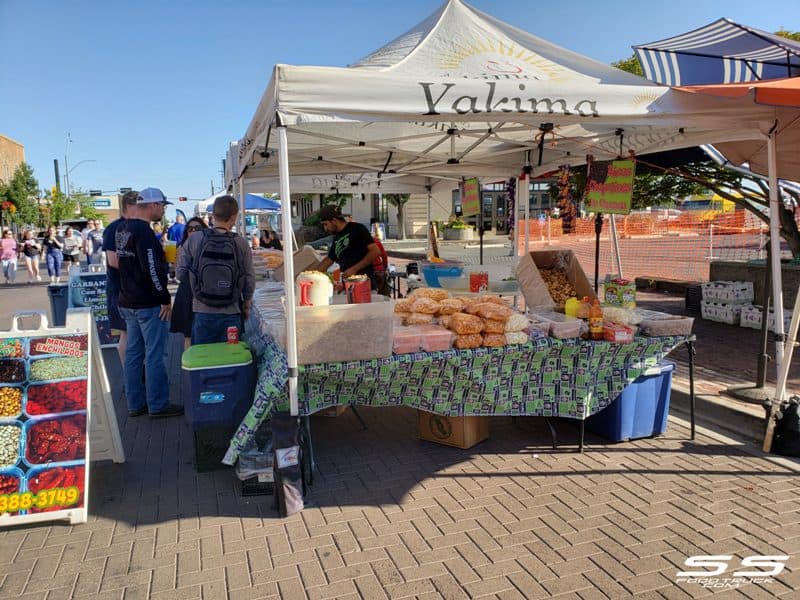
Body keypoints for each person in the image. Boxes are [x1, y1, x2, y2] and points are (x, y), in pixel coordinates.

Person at [116, 187, 182, 418]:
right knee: (155, 355)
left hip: (128, 299)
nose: (163, 210)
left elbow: (127, 264)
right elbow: (152, 269)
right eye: (162, 206)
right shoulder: (143, 232)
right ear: (152, 206)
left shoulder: (123, 228)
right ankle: (158, 404)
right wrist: (164, 298)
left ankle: (135, 403)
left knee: (134, 354)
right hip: (146, 302)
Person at [176, 195, 255, 345]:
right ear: (233, 217)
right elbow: (249, 278)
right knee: (230, 360)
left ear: (213, 215)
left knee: (203, 359)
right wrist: (247, 304)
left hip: (202, 310)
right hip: (231, 311)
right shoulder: (241, 243)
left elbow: (181, 272)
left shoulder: (195, 239)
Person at [103, 191, 139, 365]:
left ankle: (135, 374)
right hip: (121, 290)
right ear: (131, 206)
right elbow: (113, 260)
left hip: (133, 291)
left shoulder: (134, 226)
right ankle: (130, 375)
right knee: (127, 335)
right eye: (141, 206)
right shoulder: (114, 228)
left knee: (132, 335)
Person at [316, 205, 380, 289]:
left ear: (334, 220)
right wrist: (313, 274)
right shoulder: (337, 237)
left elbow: (375, 251)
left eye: (326, 224)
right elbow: (329, 259)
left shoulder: (358, 229)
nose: (325, 228)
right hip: (348, 286)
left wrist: (354, 269)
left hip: (364, 284)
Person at [170, 217, 207, 350]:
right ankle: (191, 368)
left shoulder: (209, 244)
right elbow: (178, 272)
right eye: (190, 229)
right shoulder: (182, 246)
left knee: (203, 332)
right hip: (187, 291)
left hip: (205, 292)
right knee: (188, 334)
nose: (193, 231)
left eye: (197, 228)